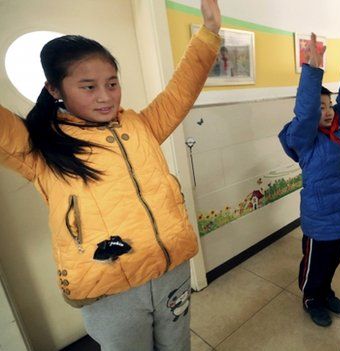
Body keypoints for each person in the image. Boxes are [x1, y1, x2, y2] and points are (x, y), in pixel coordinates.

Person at [0, 1, 221, 349]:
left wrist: (208, 33)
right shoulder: (38, 146)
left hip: (172, 268)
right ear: (54, 90)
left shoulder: (141, 125)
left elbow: (181, 91)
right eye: (88, 86)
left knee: (177, 345)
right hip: (110, 291)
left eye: (112, 83)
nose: (105, 97)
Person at [278, 34, 340, 327]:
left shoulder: (336, 128)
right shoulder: (305, 140)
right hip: (319, 218)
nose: (326, 112)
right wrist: (312, 71)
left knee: (334, 259)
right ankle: (311, 297)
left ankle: (325, 291)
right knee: (315, 263)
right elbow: (303, 115)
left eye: (328, 105)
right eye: (320, 107)